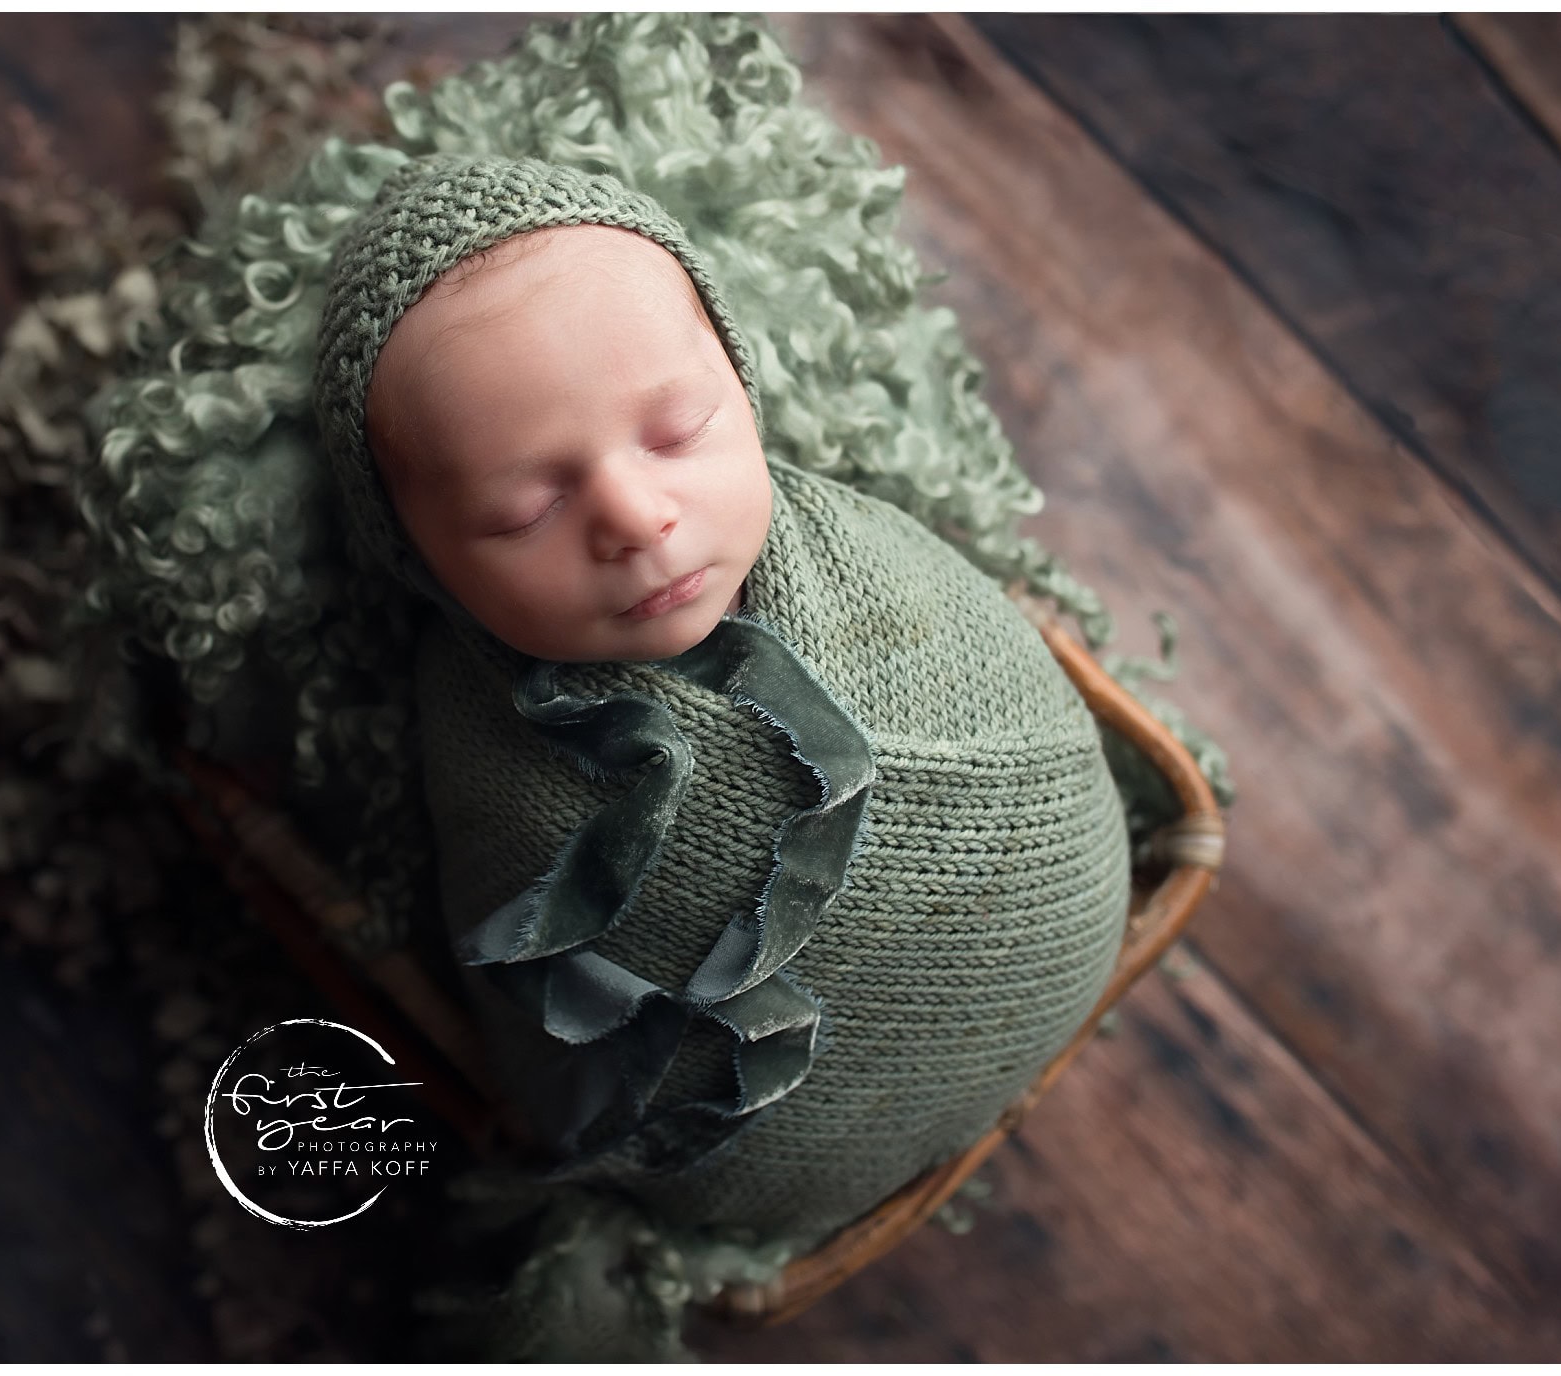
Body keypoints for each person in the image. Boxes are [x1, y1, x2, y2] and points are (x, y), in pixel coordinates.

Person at [310, 155, 1135, 1354]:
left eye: (678, 429)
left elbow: (1008, 677)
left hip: (1061, 919)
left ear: (742, 386)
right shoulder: (493, 760)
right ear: (417, 557)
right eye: (523, 511)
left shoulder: (866, 555)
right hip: (765, 1158)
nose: (632, 517)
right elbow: (533, 1011)